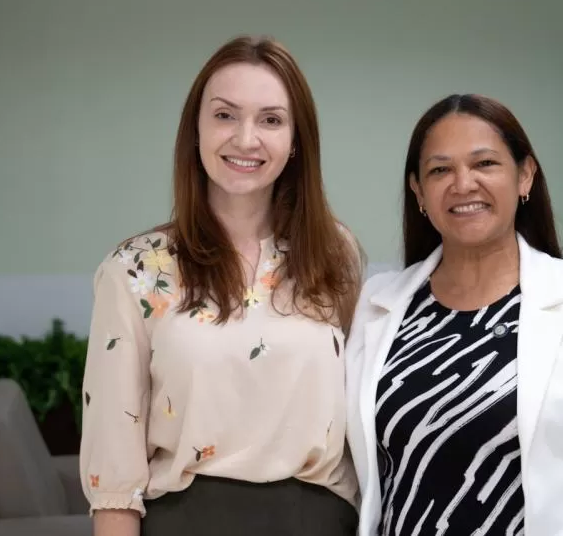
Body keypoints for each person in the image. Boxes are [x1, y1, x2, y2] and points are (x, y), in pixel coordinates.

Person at [345, 94, 563, 536]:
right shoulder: (377, 305)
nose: (463, 184)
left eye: (485, 164)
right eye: (440, 170)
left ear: (525, 176)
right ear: (419, 192)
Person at [80, 35, 363, 536]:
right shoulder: (134, 270)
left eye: (271, 119)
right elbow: (113, 474)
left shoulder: (335, 253)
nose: (246, 139)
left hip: (321, 521)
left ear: (296, 141)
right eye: (225, 115)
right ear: (196, 129)